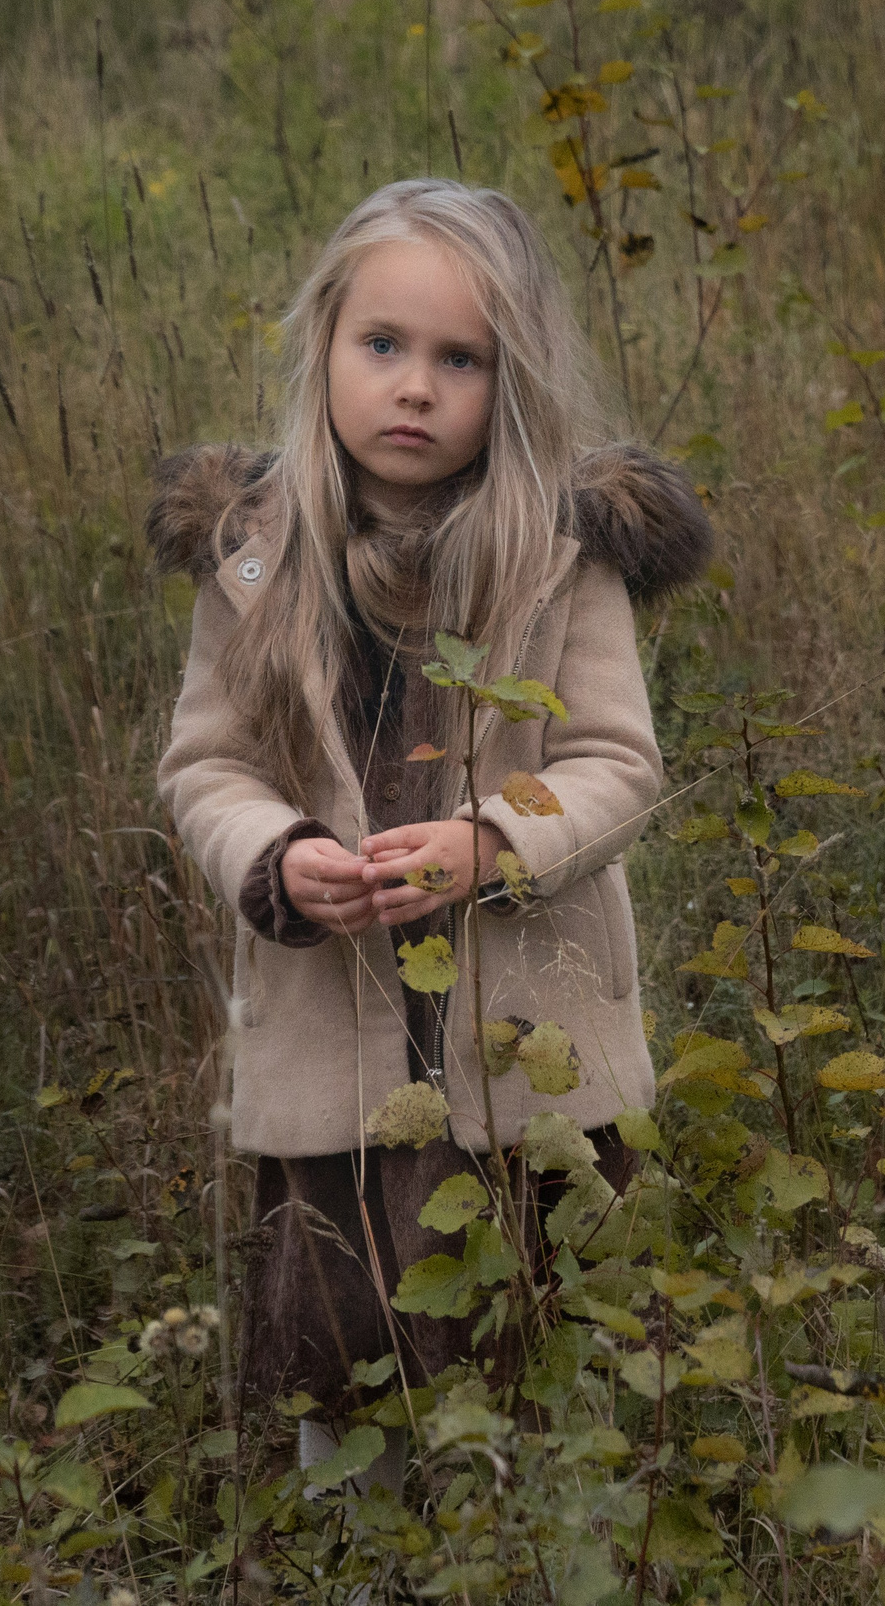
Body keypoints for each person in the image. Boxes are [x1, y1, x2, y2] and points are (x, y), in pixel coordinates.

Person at [143, 178, 711, 1496]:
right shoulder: (257, 555)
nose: (415, 387)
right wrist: (275, 857)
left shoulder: (560, 554)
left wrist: (493, 839)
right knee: (337, 1309)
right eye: (383, 345)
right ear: (325, 342)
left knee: (538, 1291)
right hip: (331, 1011)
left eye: (460, 359)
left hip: (524, 1031)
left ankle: (532, 1518)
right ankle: (354, 1526)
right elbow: (208, 762)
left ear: (509, 383)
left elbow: (618, 763)